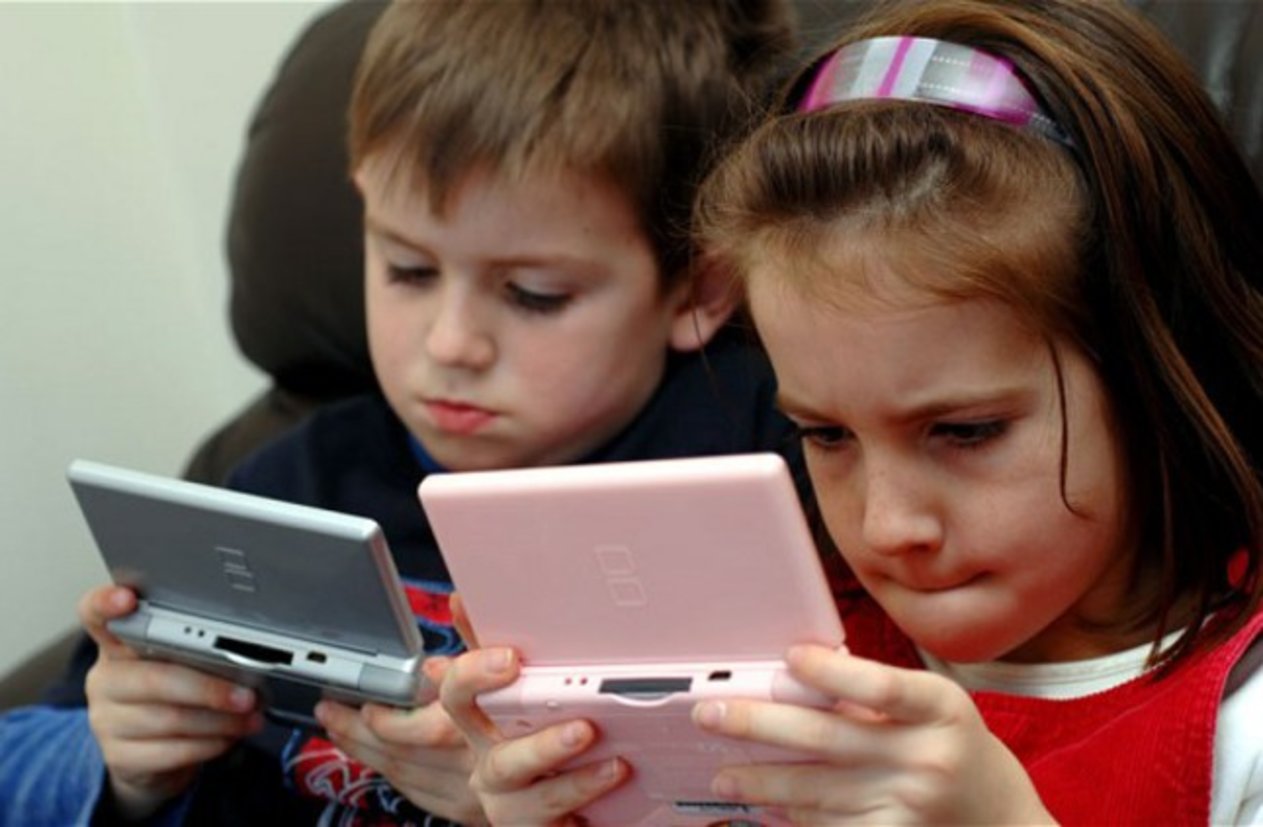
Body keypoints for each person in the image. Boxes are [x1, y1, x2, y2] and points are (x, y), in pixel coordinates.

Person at [439, 0, 1263, 823]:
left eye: (964, 431)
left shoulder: (1245, 720)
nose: (885, 525)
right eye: (826, 434)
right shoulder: (755, 658)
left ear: (1154, 368)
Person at [0, 1, 799, 824]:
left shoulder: (765, 470)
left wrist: (550, 808)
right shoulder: (289, 479)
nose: (449, 343)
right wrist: (122, 761)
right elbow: (23, 760)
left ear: (699, 290)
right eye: (408, 269)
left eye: (533, 294)